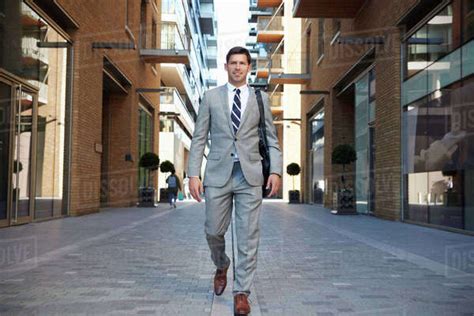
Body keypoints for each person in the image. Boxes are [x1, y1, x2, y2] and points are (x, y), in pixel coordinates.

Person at [187, 46, 282, 315]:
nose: (238, 67)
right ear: (226, 67)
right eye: (233, 63)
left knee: (247, 236)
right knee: (213, 230)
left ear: (249, 67)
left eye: (242, 63)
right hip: (218, 174)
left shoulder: (260, 99)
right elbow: (199, 138)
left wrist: (274, 171)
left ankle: (242, 292)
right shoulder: (211, 97)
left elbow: (271, 140)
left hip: (250, 175)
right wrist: (193, 173)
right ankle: (221, 263)